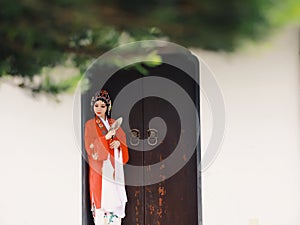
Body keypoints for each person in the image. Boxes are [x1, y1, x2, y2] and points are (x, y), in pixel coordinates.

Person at [84, 89, 129, 225]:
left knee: (114, 202)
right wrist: (106, 138)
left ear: (108, 107)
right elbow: (90, 147)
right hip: (99, 170)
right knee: (100, 203)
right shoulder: (90, 125)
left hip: (113, 170)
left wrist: (118, 145)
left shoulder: (114, 123)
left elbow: (123, 146)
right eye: (96, 105)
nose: (99, 109)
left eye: (102, 106)